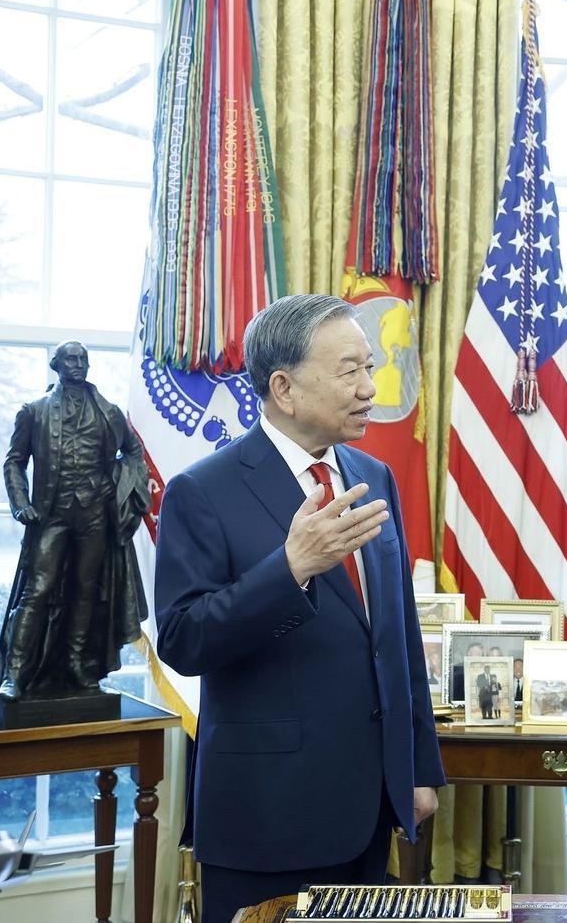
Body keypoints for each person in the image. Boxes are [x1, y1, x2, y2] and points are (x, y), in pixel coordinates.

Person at [155, 295, 444, 923]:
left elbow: (396, 633)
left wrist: (419, 767)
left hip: (372, 806)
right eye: (349, 371)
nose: (369, 388)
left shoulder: (373, 475)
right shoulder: (201, 491)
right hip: (267, 816)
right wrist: (289, 570)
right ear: (283, 388)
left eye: (369, 367)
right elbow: (181, 638)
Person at [0, 341, 149, 715]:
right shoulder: (34, 411)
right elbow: (14, 462)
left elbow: (133, 452)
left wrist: (121, 486)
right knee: (37, 591)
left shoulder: (109, 412)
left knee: (86, 590)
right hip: (51, 514)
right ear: (57, 365)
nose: (79, 364)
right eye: (71, 359)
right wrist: (21, 504)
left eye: (84, 359)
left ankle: (76, 665)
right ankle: (15, 674)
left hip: (95, 515)